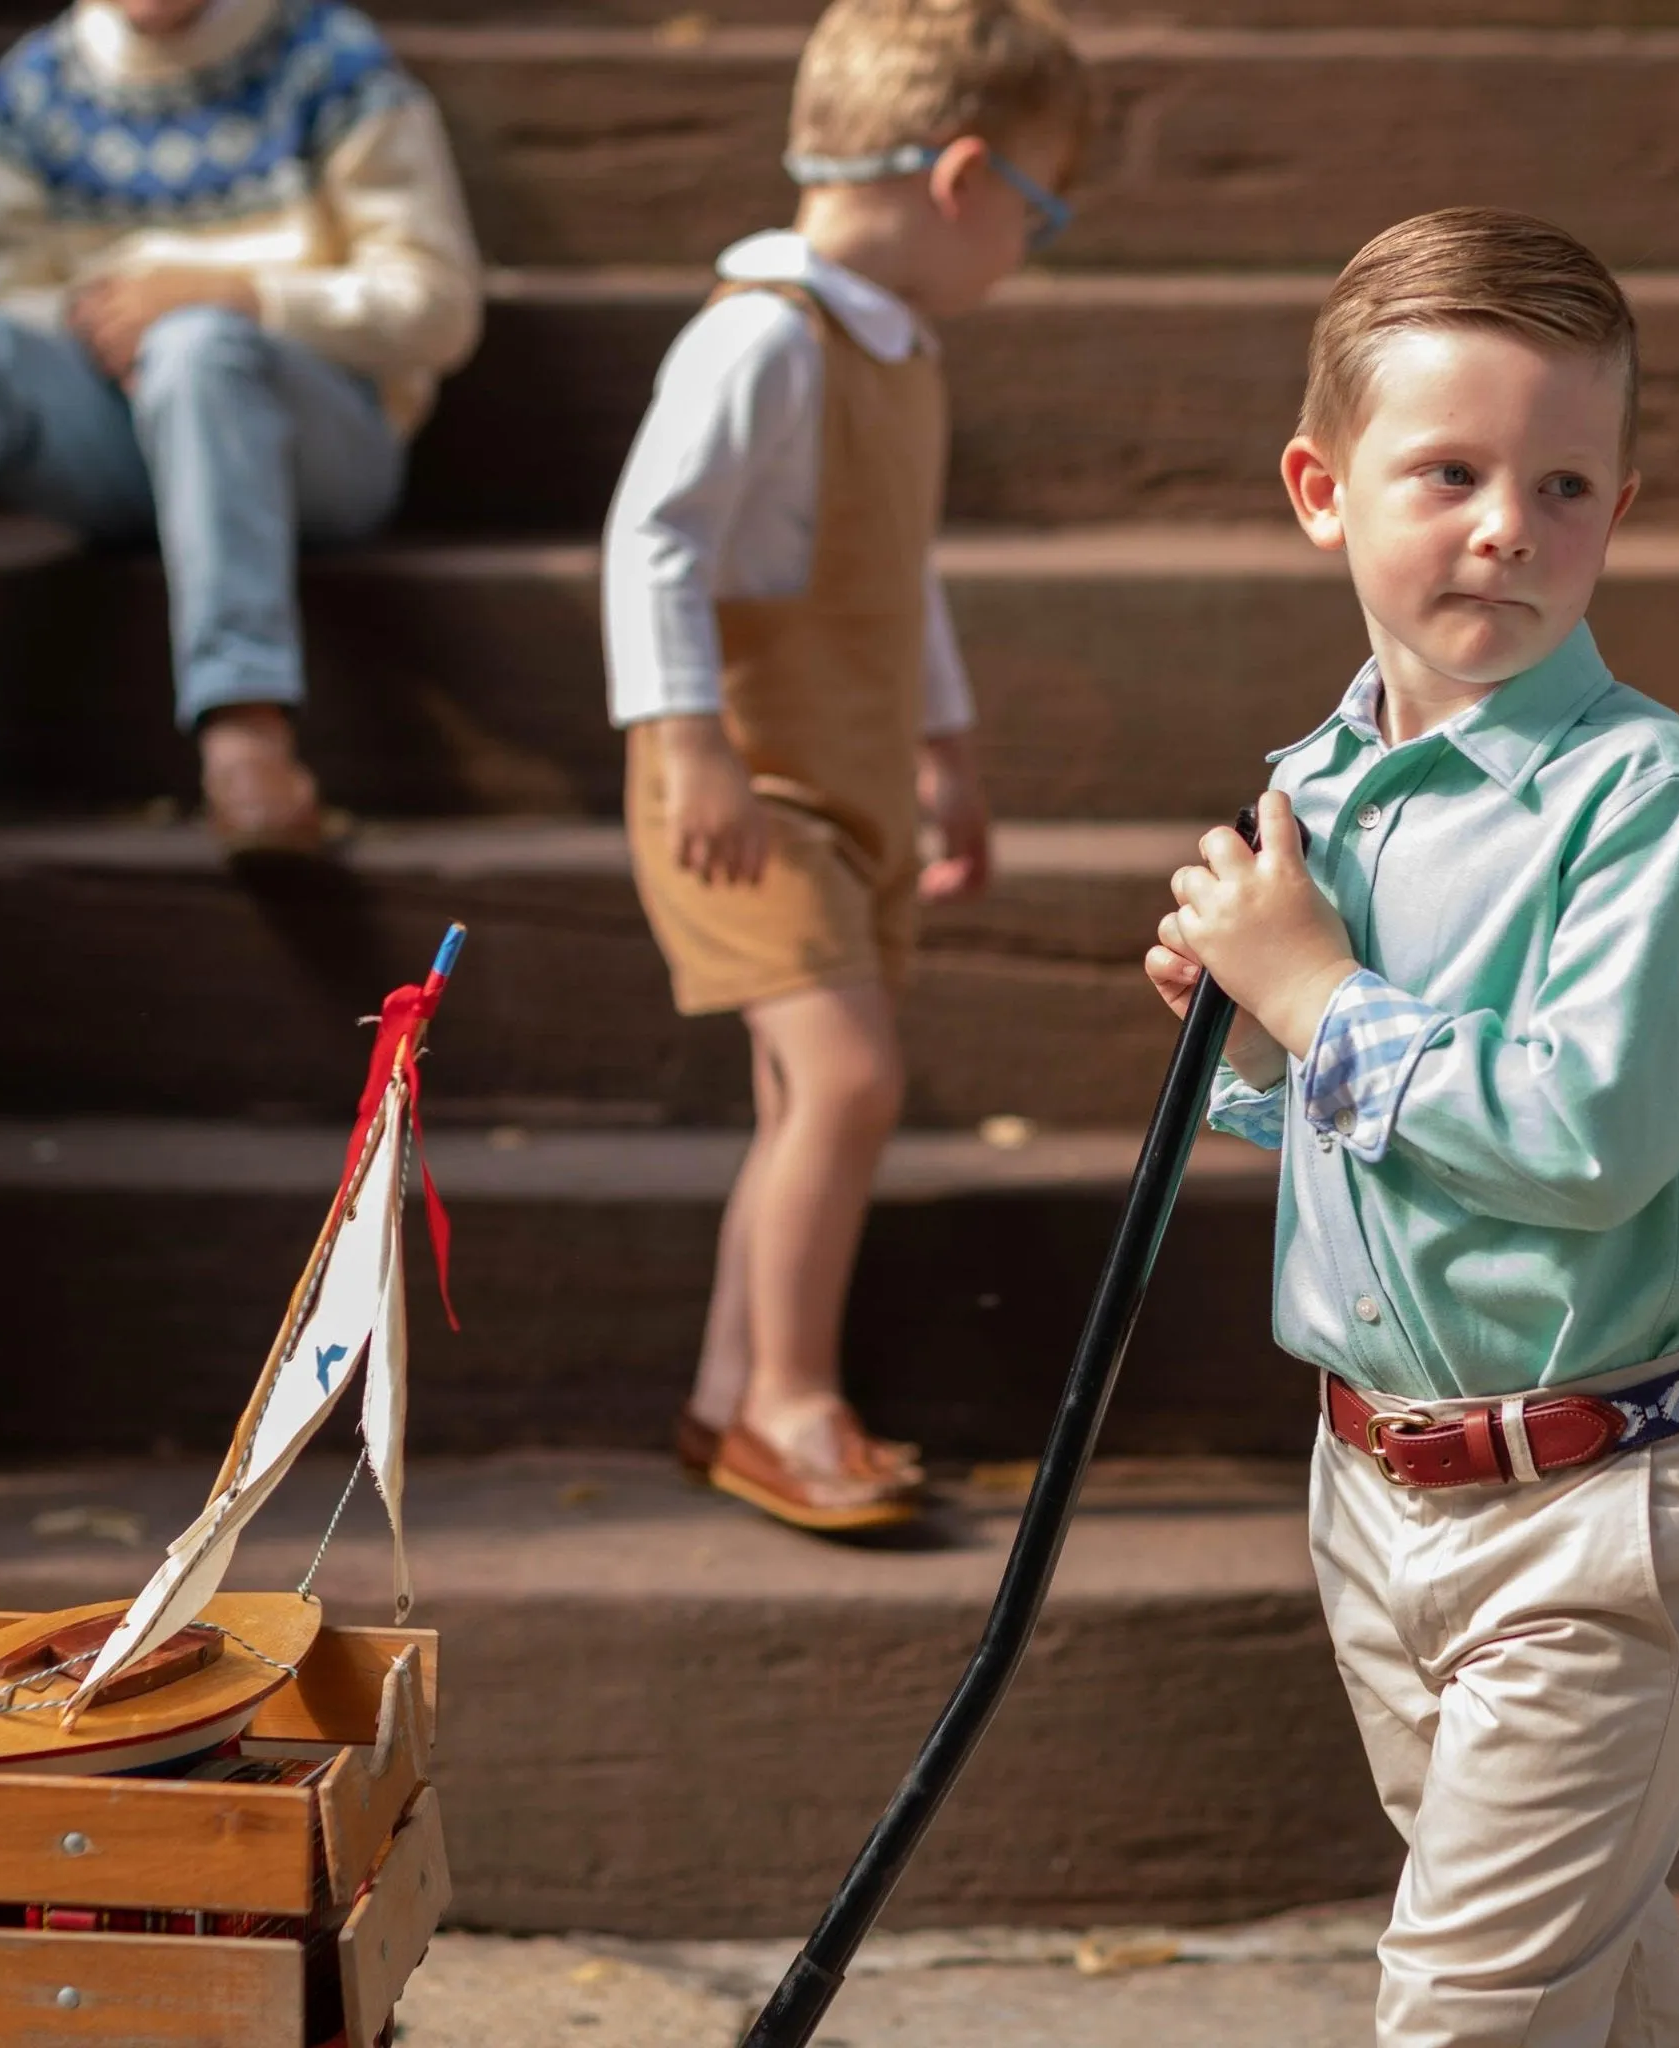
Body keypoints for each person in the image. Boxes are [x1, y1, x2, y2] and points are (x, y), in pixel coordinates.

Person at [1146, 208, 1679, 2047]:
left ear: (1617, 506)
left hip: (1603, 1499)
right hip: (1377, 1486)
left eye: (1565, 482)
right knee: (1576, 1973)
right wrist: (1259, 1039)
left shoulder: (1637, 794)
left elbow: (1585, 1137)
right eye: (1447, 471)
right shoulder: (1316, 784)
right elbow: (1368, 1141)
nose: (1509, 523)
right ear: (1318, 488)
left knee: (1464, 2008)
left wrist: (1318, 1001)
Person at [601, 0, 1090, 1531]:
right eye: (1041, 207)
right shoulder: (763, 335)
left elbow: (896, 574)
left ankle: (727, 1384)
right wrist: (687, 743)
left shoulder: (896, 352)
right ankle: (791, 1402)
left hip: (856, 775)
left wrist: (943, 747)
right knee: (850, 1077)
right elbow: (651, 535)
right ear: (961, 181)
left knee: (802, 1098)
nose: (1033, 247)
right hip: (754, 785)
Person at [0, 0, 482, 851]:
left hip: (319, 446)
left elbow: (437, 306)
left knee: (198, 346)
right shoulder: (38, 84)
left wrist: (239, 296)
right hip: (123, 438)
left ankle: (245, 728)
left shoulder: (328, 61)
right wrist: (108, 314)